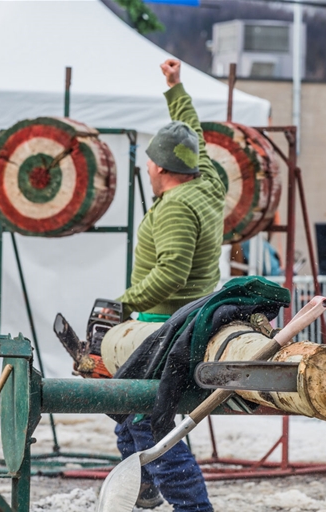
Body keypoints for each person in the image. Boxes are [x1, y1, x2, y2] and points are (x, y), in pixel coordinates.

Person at [112, 58, 223, 511]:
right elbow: (194, 135)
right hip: (187, 320)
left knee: (146, 420)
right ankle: (144, 486)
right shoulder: (207, 182)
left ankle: (194, 508)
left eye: (150, 162)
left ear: (158, 167)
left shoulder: (177, 206)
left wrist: (124, 303)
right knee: (128, 415)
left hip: (166, 327)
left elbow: (172, 272)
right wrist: (175, 88)